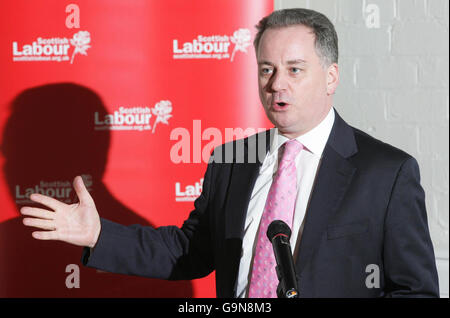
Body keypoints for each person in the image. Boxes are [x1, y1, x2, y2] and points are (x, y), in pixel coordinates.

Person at [20, 8, 439, 298]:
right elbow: (189, 251)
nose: (277, 84)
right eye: (266, 69)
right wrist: (100, 235)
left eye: (295, 69)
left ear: (331, 77)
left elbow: (415, 290)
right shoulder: (231, 161)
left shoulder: (386, 173)